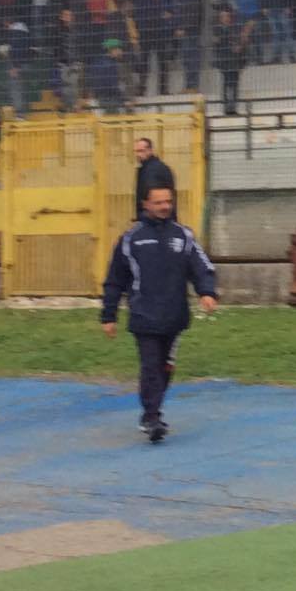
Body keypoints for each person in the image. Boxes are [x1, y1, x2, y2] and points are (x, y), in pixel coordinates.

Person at [99, 183, 218, 443]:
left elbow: (202, 267)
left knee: (165, 367)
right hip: (144, 315)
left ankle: (151, 412)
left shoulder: (184, 236)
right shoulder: (131, 239)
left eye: (168, 201)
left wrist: (207, 292)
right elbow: (114, 279)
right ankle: (152, 417)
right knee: (150, 366)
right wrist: (108, 315)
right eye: (159, 202)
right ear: (146, 204)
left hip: (175, 316)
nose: (165, 206)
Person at [134, 135, 173, 208]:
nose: (138, 154)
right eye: (136, 151)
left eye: (141, 151)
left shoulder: (151, 170)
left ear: (150, 150)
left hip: (154, 214)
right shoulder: (160, 167)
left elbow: (150, 195)